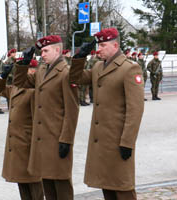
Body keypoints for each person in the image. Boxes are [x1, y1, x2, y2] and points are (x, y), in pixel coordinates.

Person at [70, 28, 144, 200]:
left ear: (115, 45)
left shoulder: (129, 69)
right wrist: (80, 56)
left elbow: (135, 109)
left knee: (123, 188)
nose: (99, 49)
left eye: (103, 45)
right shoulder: (97, 67)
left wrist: (127, 142)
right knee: (107, 187)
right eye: (98, 45)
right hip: (100, 140)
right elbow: (75, 78)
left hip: (118, 140)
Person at [16, 35, 79, 200]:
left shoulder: (66, 72)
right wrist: (24, 62)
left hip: (57, 138)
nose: (42, 54)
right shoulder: (42, 70)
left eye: (45, 50)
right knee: (48, 187)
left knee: (62, 187)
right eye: (41, 51)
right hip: (42, 139)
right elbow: (20, 82)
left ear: (57, 50)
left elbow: (72, 109)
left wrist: (66, 140)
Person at [0, 61, 43, 200]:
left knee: (34, 182)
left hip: (28, 142)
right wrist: (2, 76)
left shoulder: (35, 91)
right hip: (16, 143)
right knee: (20, 180)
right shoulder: (16, 88)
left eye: (29, 70)